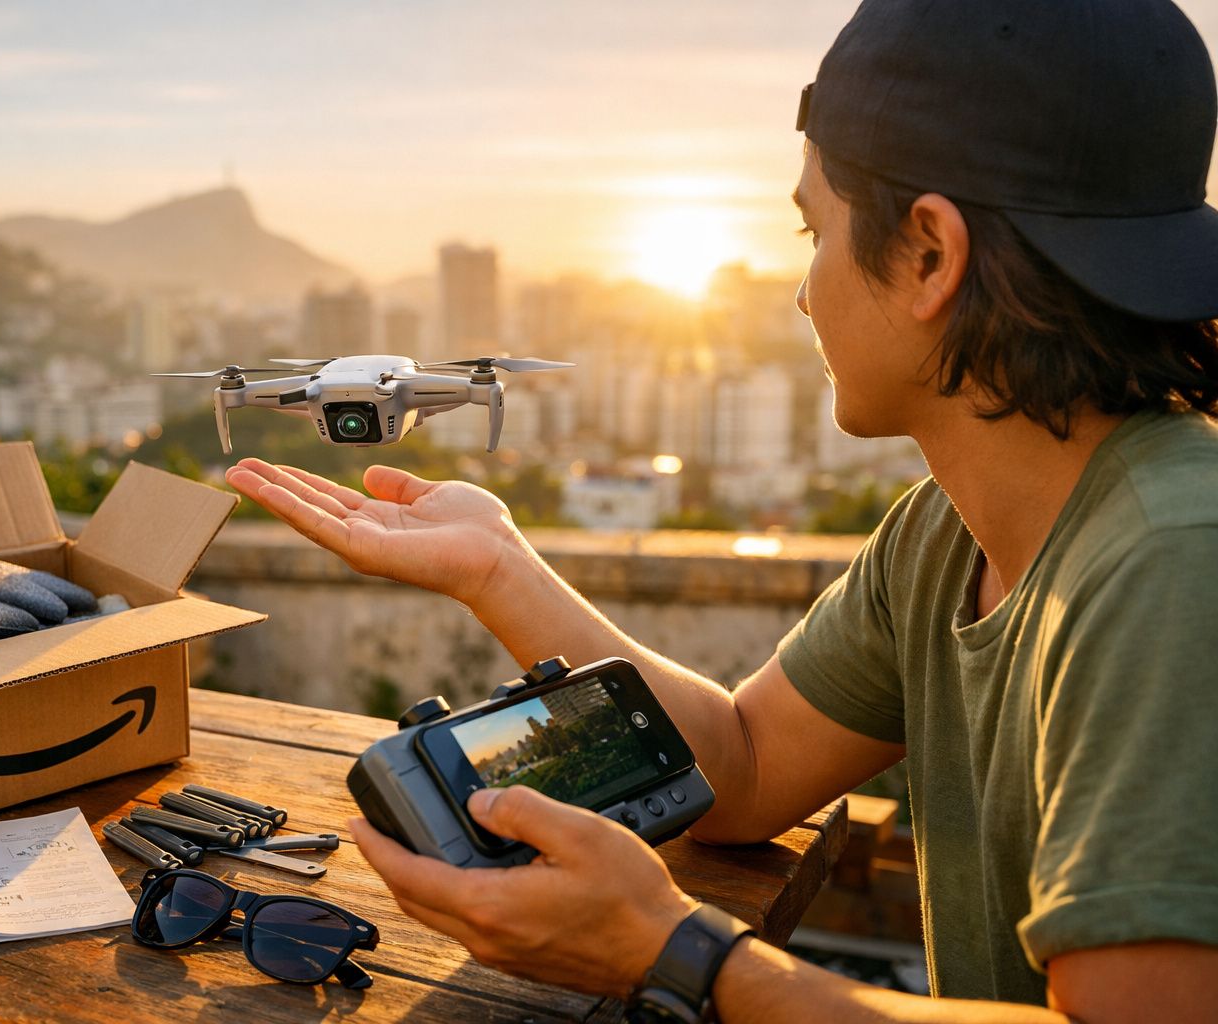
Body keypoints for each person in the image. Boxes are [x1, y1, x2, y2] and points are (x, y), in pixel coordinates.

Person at [227, 1, 1218, 1020]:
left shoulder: (1174, 563)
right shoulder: (944, 537)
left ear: (930, 255)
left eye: (815, 229)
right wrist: (500, 567)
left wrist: (675, 954)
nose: (802, 293)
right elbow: (741, 769)